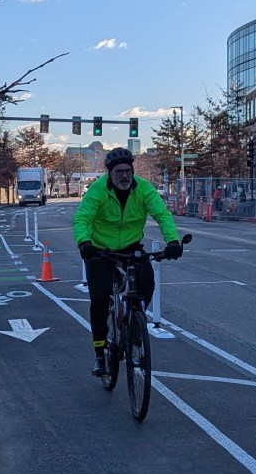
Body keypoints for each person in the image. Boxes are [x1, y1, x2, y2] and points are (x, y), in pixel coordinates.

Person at [73, 148, 183, 376]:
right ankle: (100, 353)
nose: (124, 175)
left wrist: (172, 241)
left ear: (132, 171)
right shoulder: (97, 190)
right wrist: (84, 242)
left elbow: (162, 215)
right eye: (118, 171)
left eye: (127, 171)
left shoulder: (143, 188)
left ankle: (134, 326)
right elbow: (83, 217)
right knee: (100, 299)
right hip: (100, 250)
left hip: (131, 247)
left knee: (147, 282)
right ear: (110, 173)